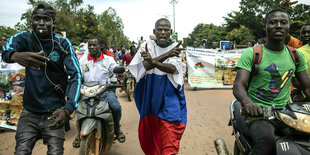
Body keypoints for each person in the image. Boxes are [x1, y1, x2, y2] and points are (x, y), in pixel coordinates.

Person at [1, 3, 82, 155]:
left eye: (47, 19)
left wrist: (68, 108)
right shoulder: (24, 38)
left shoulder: (62, 43)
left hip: (55, 112)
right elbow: (6, 47)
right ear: (31, 21)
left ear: (53, 23)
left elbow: (76, 75)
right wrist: (15, 56)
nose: (41, 23)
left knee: (56, 152)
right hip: (29, 112)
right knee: (21, 152)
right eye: (37, 18)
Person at [233, 8, 310, 155]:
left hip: (286, 112)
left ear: (288, 27)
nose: (279, 26)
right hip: (258, 113)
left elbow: (307, 87)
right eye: (273, 22)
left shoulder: (296, 55)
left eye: (283, 22)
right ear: (266, 26)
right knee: (266, 144)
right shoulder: (252, 53)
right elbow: (238, 85)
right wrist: (248, 103)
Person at [128, 18, 187, 155]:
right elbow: (146, 65)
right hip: (150, 95)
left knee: (169, 139)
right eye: (159, 30)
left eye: (166, 30)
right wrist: (166, 55)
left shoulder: (176, 47)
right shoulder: (146, 45)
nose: (162, 32)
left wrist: (154, 60)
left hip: (169, 96)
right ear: (154, 31)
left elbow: (172, 68)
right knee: (150, 140)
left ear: (170, 32)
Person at [73, 37, 125, 147]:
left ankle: (117, 130)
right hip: (87, 91)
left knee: (116, 107)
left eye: (94, 45)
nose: (92, 47)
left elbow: (114, 67)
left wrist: (118, 69)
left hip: (104, 91)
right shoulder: (83, 60)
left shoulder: (108, 59)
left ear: (99, 47)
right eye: (90, 45)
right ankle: (78, 135)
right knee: (79, 111)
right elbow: (78, 74)